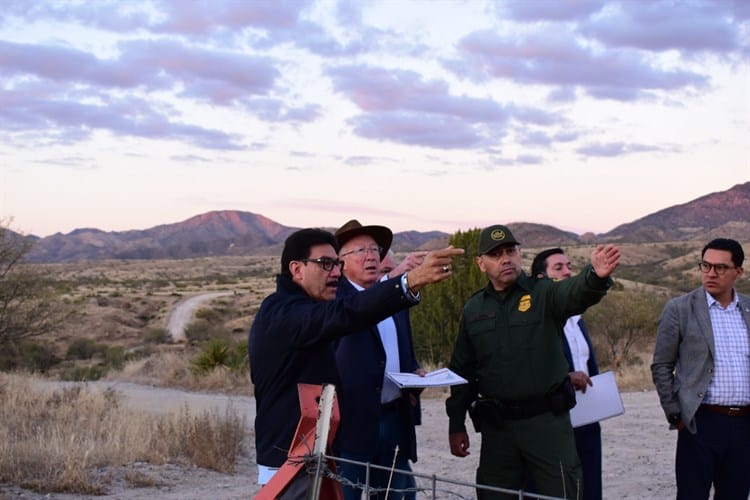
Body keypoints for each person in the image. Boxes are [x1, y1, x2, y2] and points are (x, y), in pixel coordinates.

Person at [249, 227, 463, 493]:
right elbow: (348, 312)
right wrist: (410, 281)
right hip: (290, 462)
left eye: (336, 264)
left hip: (318, 452)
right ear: (297, 269)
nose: (335, 272)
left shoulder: (307, 307)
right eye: (325, 264)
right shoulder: (283, 313)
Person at [445, 224, 620, 500]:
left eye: (510, 251)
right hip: (498, 430)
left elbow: (574, 293)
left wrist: (595, 276)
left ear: (519, 254)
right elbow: (462, 369)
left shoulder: (543, 294)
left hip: (546, 424)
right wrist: (456, 422)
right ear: (481, 263)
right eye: (496, 254)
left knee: (563, 492)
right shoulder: (474, 309)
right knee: (494, 495)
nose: (506, 259)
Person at [332, 220, 427, 500]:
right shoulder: (335, 301)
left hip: (393, 417)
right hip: (352, 422)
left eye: (375, 249)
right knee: (345, 493)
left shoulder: (395, 299)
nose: (371, 255)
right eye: (360, 250)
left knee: (395, 494)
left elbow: (401, 350)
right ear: (340, 262)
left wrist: (414, 372)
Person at [651, 238, 750, 500]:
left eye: (720, 267)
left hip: (744, 424)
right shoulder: (680, 309)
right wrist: (675, 413)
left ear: (738, 271)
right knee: (692, 495)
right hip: (700, 422)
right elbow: (661, 364)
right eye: (705, 266)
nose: (710, 274)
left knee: (736, 494)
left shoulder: (748, 309)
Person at [530, 248, 602, 500]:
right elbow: (529, 369)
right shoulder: (536, 322)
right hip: (554, 419)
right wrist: (567, 378)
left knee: (590, 485)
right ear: (541, 279)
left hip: (587, 419)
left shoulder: (577, 319)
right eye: (558, 268)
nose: (568, 272)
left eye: (568, 266)